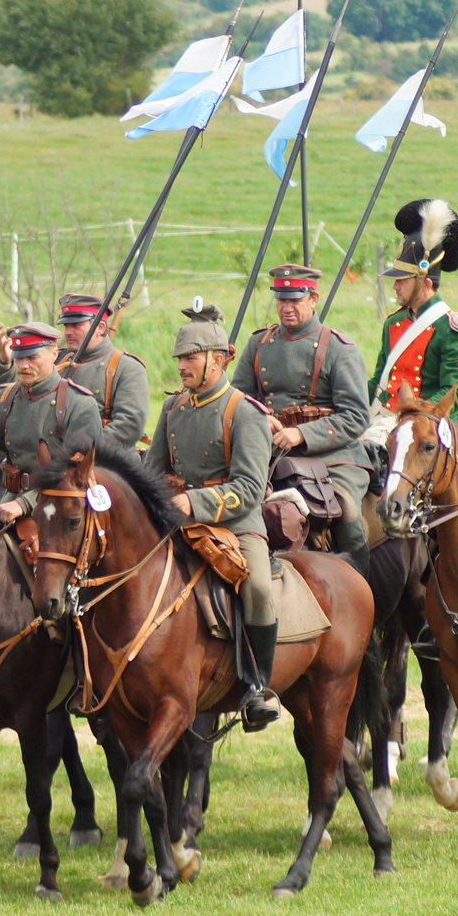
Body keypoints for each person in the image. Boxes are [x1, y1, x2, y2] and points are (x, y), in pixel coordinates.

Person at [143, 302, 278, 730]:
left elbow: (250, 490)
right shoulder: (172, 410)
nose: (182, 366)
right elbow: (151, 471)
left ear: (218, 361)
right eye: (180, 358)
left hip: (235, 525)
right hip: (178, 523)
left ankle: (257, 686)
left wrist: (193, 503)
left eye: (190, 358)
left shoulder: (245, 413)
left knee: (257, 586)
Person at [232, 264, 372, 576]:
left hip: (333, 455)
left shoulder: (339, 349)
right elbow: (238, 399)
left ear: (313, 299)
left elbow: (356, 416)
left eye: (295, 300)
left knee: (346, 507)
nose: (286, 308)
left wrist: (302, 434)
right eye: (281, 300)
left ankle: (361, 582)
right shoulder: (258, 344)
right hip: (270, 449)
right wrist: (259, 417)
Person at [0, 321, 102, 525]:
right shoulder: (1, 401)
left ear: (54, 354)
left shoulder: (80, 404)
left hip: (61, 511)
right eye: (19, 357)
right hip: (8, 501)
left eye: (32, 357)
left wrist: (24, 504)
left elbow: (74, 472)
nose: (23, 365)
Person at [0, 293, 149, 451]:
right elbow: (19, 395)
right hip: (46, 455)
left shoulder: (127, 367)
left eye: (76, 325)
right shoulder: (58, 358)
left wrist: (80, 452)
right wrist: (6, 362)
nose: (68, 332)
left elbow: (129, 426)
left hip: (103, 460)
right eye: (66, 325)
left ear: (100, 328)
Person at [370, 199, 458, 424]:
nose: (395, 286)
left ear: (425, 284)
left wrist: (412, 418)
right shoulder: (393, 323)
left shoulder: (451, 328)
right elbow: (378, 381)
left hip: (427, 426)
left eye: (402, 281)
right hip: (384, 421)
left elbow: (454, 391)